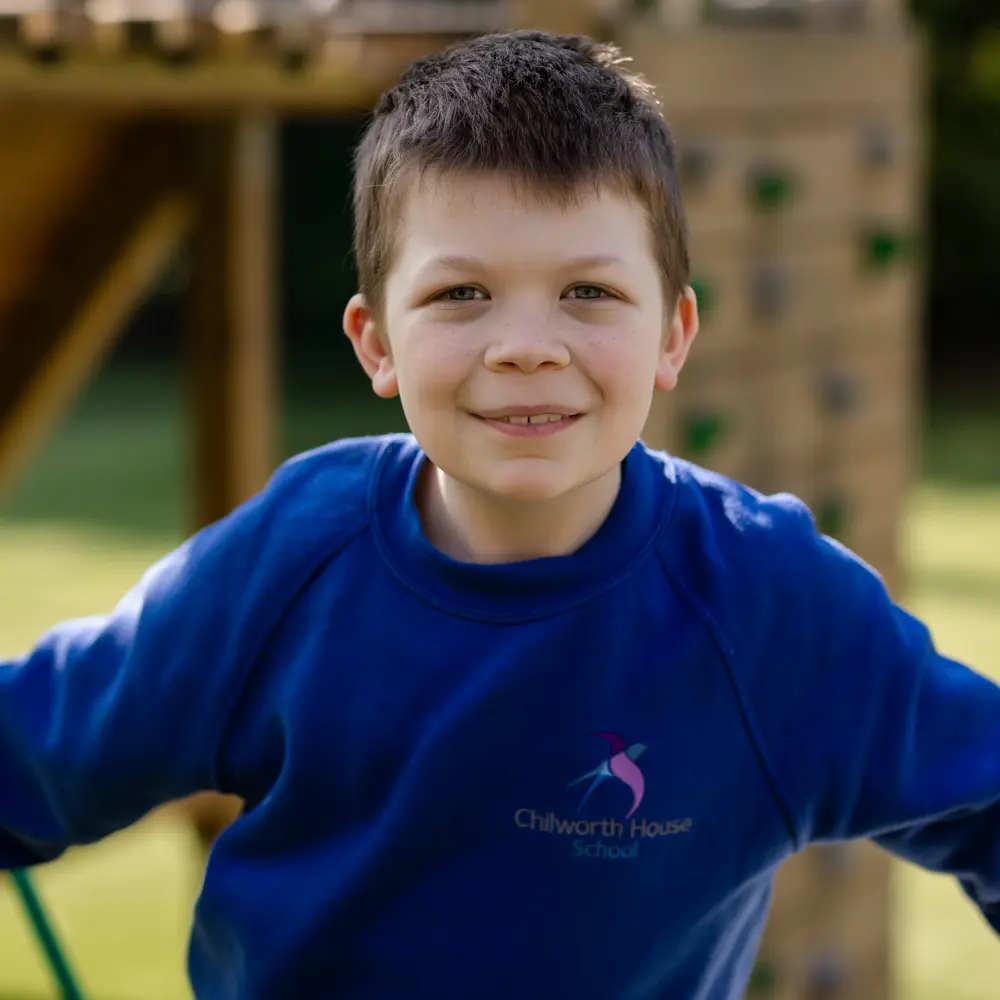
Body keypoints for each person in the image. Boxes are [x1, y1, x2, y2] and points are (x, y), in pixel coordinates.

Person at [2, 29, 999, 1000]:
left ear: (673, 332)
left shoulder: (767, 603)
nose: (527, 345)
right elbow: (39, 751)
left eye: (588, 292)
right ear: (377, 340)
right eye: (463, 292)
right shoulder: (289, 557)